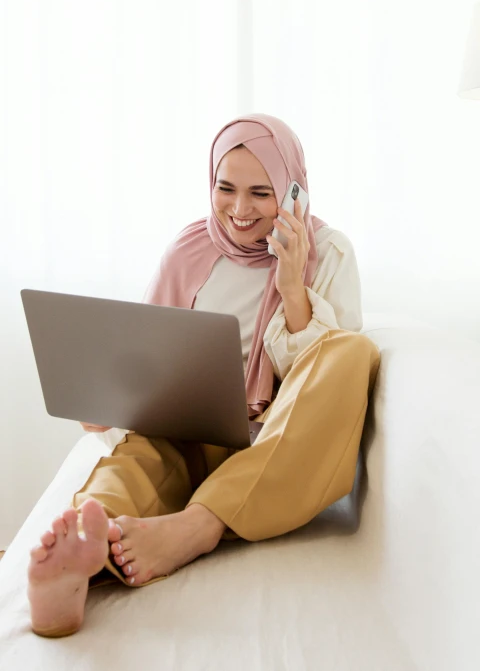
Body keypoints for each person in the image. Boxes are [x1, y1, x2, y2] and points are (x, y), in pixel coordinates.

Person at [27, 113, 381, 638]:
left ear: (293, 190)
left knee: (350, 353)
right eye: (226, 187)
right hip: (188, 431)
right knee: (138, 462)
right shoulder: (188, 249)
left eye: (262, 193)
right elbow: (142, 351)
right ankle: (82, 554)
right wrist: (106, 399)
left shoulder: (329, 252)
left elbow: (319, 381)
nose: (240, 210)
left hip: (274, 447)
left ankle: (196, 527)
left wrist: (291, 287)